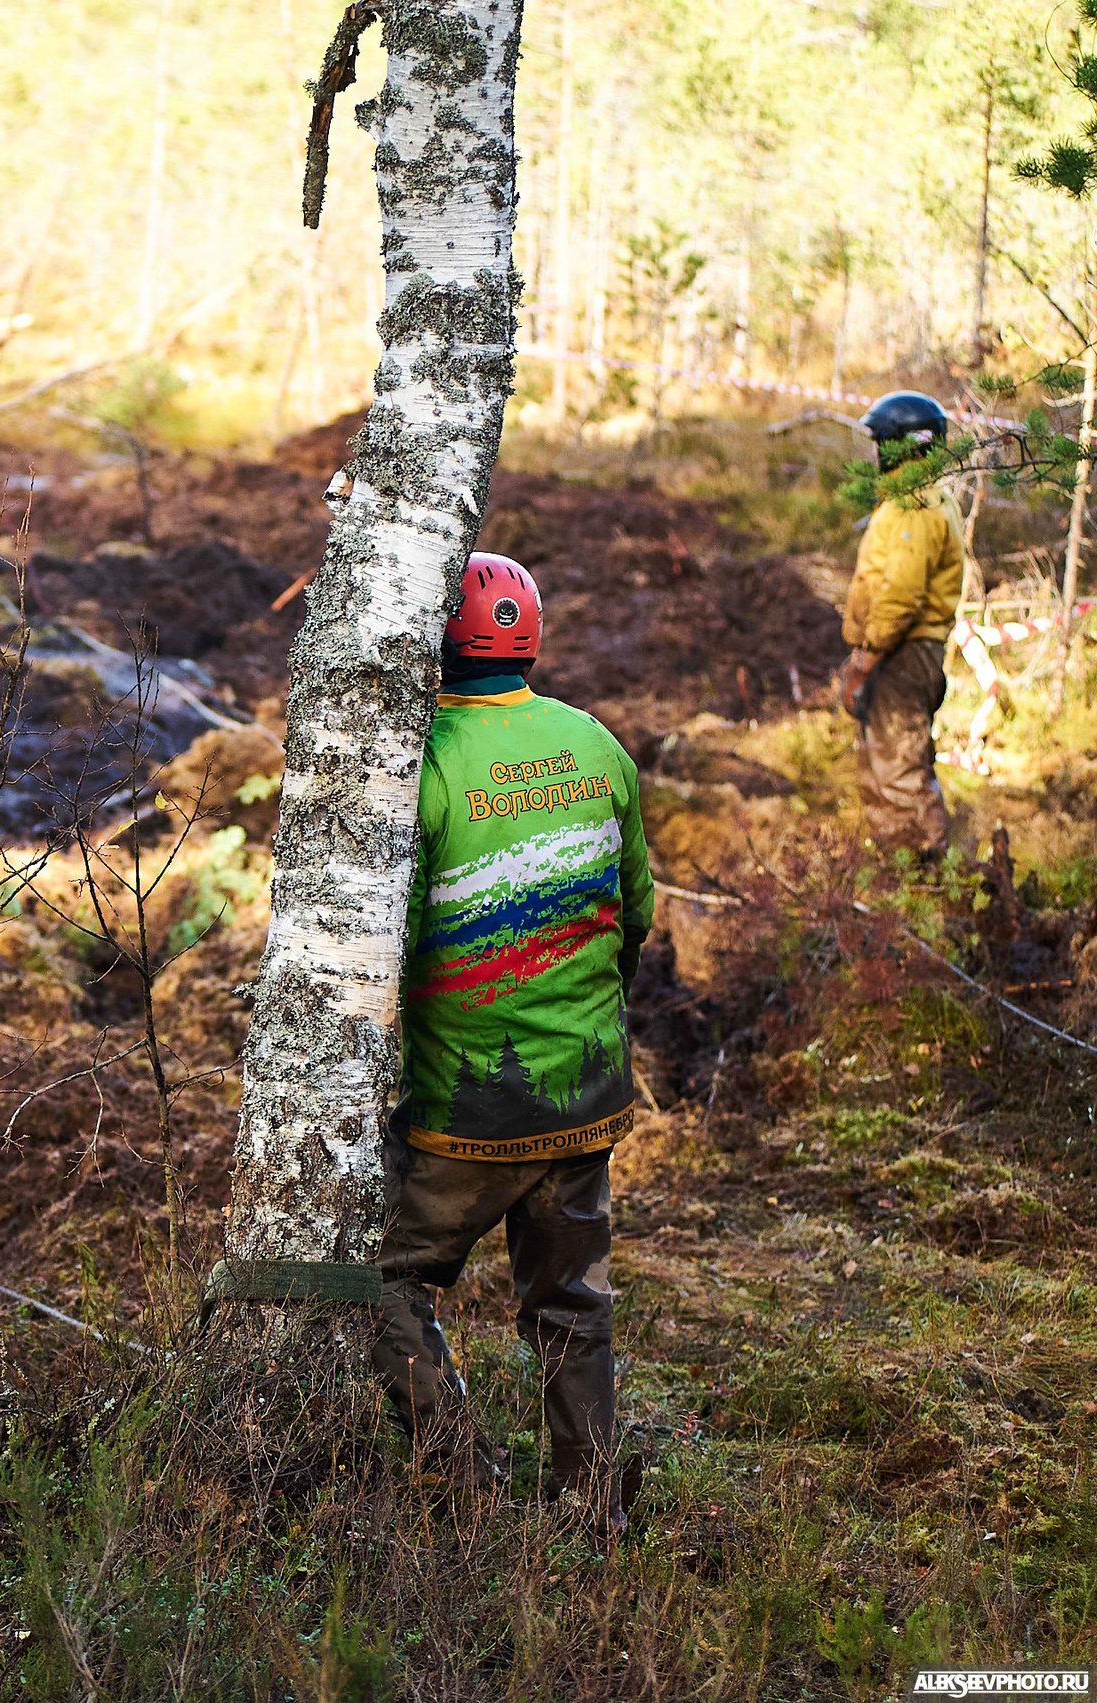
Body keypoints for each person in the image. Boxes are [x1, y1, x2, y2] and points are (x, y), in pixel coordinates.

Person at [374, 553, 654, 1529]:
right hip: (586, 1091)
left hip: (470, 1107)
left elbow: (385, 946)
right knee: (572, 1304)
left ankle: (467, 1482)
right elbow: (636, 918)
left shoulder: (422, 762)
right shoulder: (595, 743)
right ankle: (590, 1514)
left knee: (375, 1283)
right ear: (527, 633)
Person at [836, 390, 965, 860]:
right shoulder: (911, 500)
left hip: (902, 654)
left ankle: (931, 876)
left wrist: (867, 658)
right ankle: (897, 866)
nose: (875, 455)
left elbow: (902, 593)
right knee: (880, 767)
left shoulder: (918, 507)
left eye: (882, 444)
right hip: (893, 651)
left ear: (900, 446)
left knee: (903, 773)